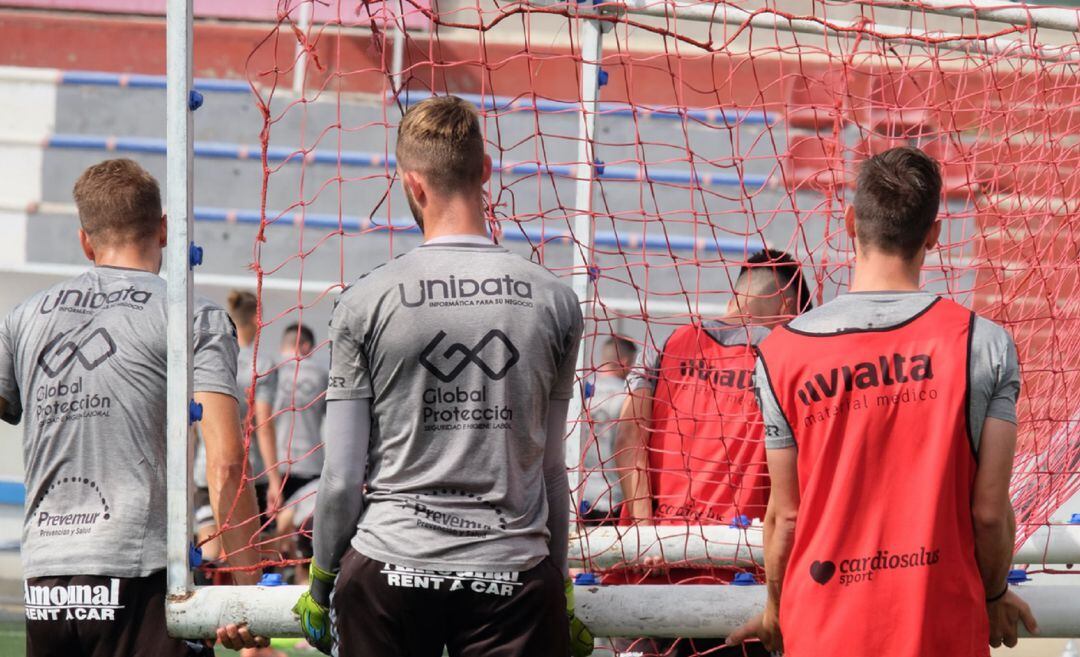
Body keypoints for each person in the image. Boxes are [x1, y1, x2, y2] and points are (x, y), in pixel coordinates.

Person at [291, 95, 592, 657]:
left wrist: (324, 579)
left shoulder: (365, 300)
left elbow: (339, 478)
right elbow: (551, 467)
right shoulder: (556, 301)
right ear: (484, 170)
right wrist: (560, 581)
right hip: (512, 576)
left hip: (389, 570)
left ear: (412, 184)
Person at [729, 147, 1038, 657]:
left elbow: (785, 516)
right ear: (934, 235)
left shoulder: (781, 351)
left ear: (850, 222)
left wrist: (775, 610)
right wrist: (995, 593)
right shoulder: (983, 343)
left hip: (822, 630)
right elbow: (989, 514)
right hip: (940, 630)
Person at [0, 158, 266, 655]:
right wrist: (249, 593)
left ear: (85, 241)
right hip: (141, 575)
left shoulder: (24, 316)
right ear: (164, 229)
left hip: (47, 578)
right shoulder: (192, 314)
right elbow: (228, 463)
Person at [608, 249, 812, 657]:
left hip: (654, 571)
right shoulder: (789, 354)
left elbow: (628, 433)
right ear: (788, 304)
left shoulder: (670, 342)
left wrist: (647, 532)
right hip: (741, 582)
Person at [193, 290, 280, 571]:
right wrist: (275, 479)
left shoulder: (210, 354)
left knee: (209, 550)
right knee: (249, 555)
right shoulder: (261, 365)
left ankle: (205, 613)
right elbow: (263, 425)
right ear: (258, 319)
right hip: (247, 472)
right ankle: (244, 613)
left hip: (204, 471)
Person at [272, 322, 327, 569]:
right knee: (303, 536)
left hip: (273, 468)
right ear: (305, 345)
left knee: (270, 536)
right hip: (310, 464)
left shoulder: (268, 371)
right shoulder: (321, 375)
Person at [580, 334, 637, 524]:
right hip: (613, 499)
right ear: (625, 362)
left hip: (578, 495)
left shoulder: (580, 392)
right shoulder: (629, 395)